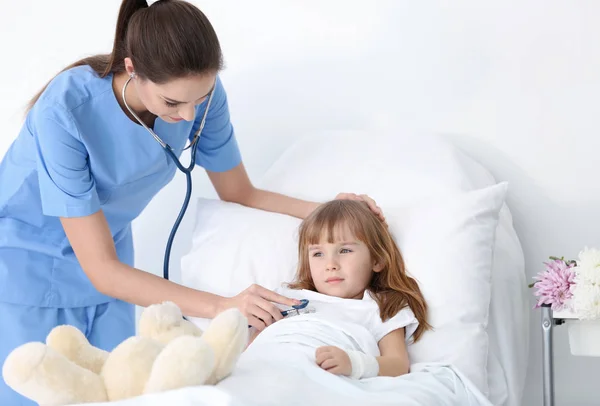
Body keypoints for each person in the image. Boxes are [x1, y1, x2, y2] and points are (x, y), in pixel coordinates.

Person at [0, 1, 384, 404]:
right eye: (172, 104)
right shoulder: (66, 111)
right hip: (27, 267)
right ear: (132, 69)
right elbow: (102, 270)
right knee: (38, 387)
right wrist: (223, 306)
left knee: (120, 394)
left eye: (199, 98)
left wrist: (329, 211)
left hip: (111, 268)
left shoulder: (202, 97)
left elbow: (240, 192)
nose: (187, 115)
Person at [246, 199, 431, 379]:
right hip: (266, 369)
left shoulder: (380, 307)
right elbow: (256, 344)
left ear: (377, 259)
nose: (330, 264)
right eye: (318, 254)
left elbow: (398, 365)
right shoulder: (288, 298)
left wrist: (353, 363)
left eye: (344, 251)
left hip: (316, 377)